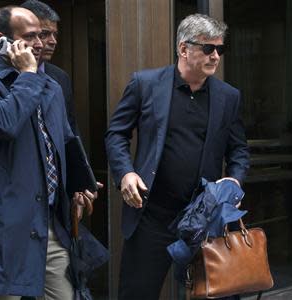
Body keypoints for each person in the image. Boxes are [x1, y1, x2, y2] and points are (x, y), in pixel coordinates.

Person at [105, 13, 250, 300]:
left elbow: (239, 150)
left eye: (220, 49)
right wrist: (125, 173)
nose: (216, 56)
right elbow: (116, 134)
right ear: (184, 48)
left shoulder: (228, 96)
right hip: (152, 215)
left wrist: (234, 180)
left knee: (220, 294)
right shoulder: (145, 84)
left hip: (205, 216)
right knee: (137, 293)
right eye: (208, 49)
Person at [0, 6, 97, 299]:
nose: (39, 43)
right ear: (2, 39)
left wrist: (78, 185)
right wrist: (28, 75)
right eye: (31, 36)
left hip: (47, 223)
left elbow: (64, 140)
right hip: (2, 227)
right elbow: (3, 123)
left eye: (43, 35)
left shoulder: (52, 86)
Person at [20, 0, 79, 135]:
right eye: (44, 34)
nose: (53, 41)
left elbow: (70, 131)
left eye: (55, 34)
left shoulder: (60, 78)